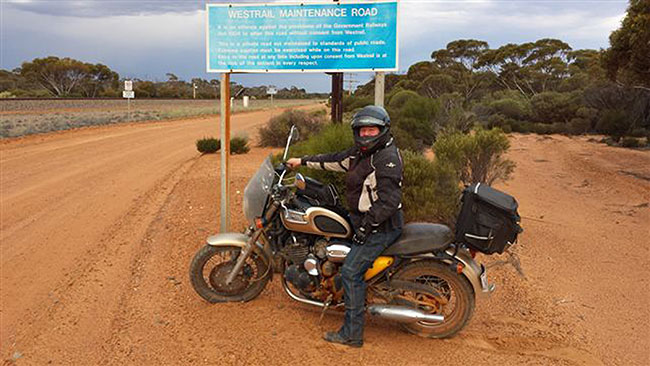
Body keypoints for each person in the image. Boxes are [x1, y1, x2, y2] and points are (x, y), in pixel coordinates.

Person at [286, 105, 404, 348]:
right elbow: (334, 160)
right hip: (363, 220)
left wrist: (366, 228)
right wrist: (302, 161)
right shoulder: (361, 154)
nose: (366, 135)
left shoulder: (386, 159)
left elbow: (389, 202)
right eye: (363, 131)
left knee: (351, 272)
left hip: (381, 226)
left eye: (372, 130)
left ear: (382, 131)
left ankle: (352, 334)